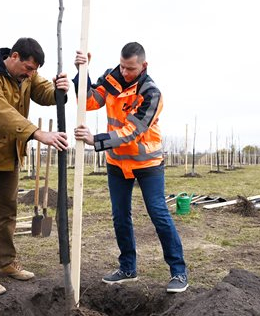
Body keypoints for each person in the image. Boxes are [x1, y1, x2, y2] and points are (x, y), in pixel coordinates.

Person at [73, 42, 188, 293]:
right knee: (120, 216)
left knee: (158, 214)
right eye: (123, 67)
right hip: (116, 162)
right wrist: (83, 73)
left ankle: (178, 272)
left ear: (143, 66)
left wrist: (97, 140)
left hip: (147, 163)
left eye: (131, 69)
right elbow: (91, 101)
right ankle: (127, 268)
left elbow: (131, 132)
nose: (125, 73)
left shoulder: (151, 94)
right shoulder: (112, 78)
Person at [0, 37, 69, 297]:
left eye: (35, 70)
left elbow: (45, 93)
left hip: (10, 156)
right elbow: (2, 114)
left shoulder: (27, 77)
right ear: (13, 56)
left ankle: (7, 262)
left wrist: (61, 89)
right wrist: (36, 133)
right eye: (29, 68)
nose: (31, 74)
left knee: (8, 211)